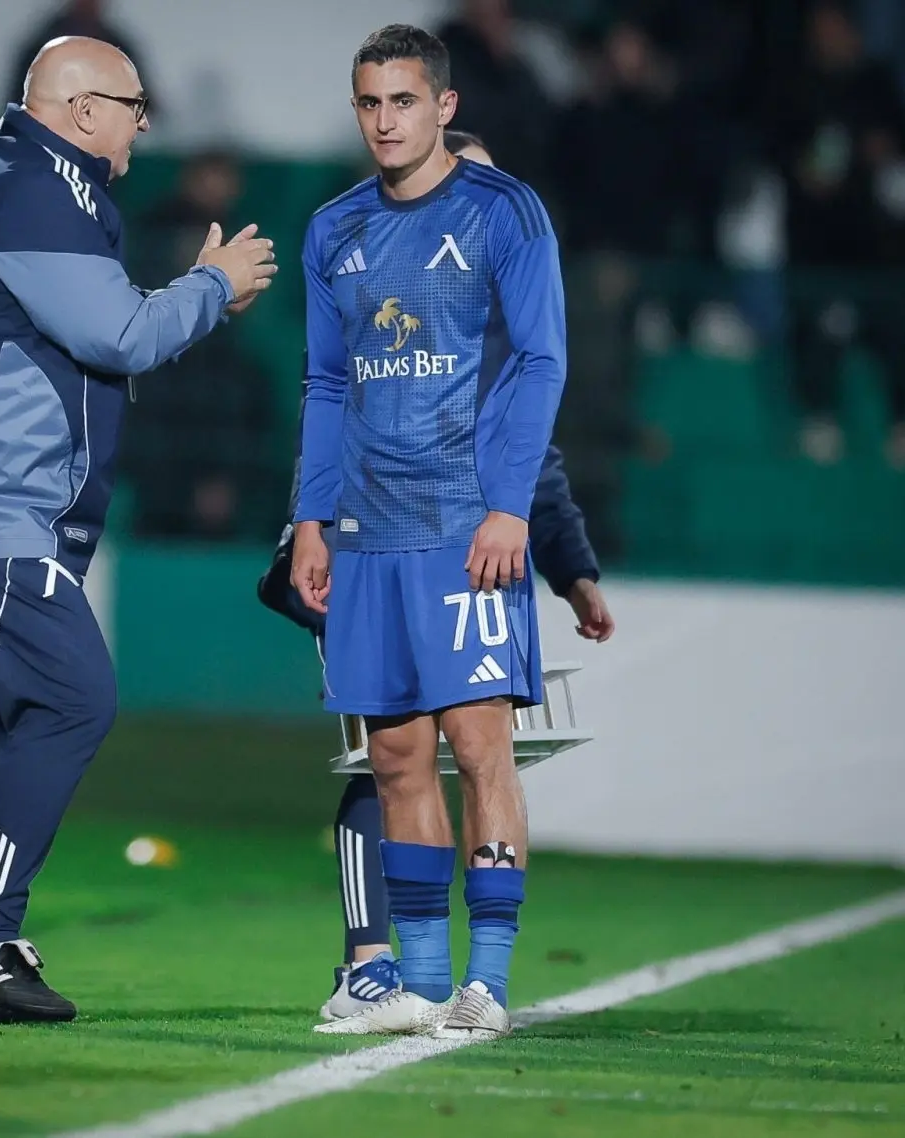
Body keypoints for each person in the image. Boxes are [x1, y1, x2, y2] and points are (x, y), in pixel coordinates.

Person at [0, 35, 275, 1027]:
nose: (145, 122)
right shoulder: (33, 189)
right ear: (83, 110)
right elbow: (121, 335)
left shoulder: (27, 182)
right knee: (73, 699)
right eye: (135, 105)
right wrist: (212, 284)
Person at [261, 130, 614, 1024]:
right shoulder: (361, 248)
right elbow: (331, 390)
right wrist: (309, 525)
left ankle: (480, 982)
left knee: (477, 748)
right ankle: (389, 970)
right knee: (384, 757)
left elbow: (537, 458)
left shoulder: (501, 300)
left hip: (463, 543)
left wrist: (570, 569)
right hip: (368, 541)